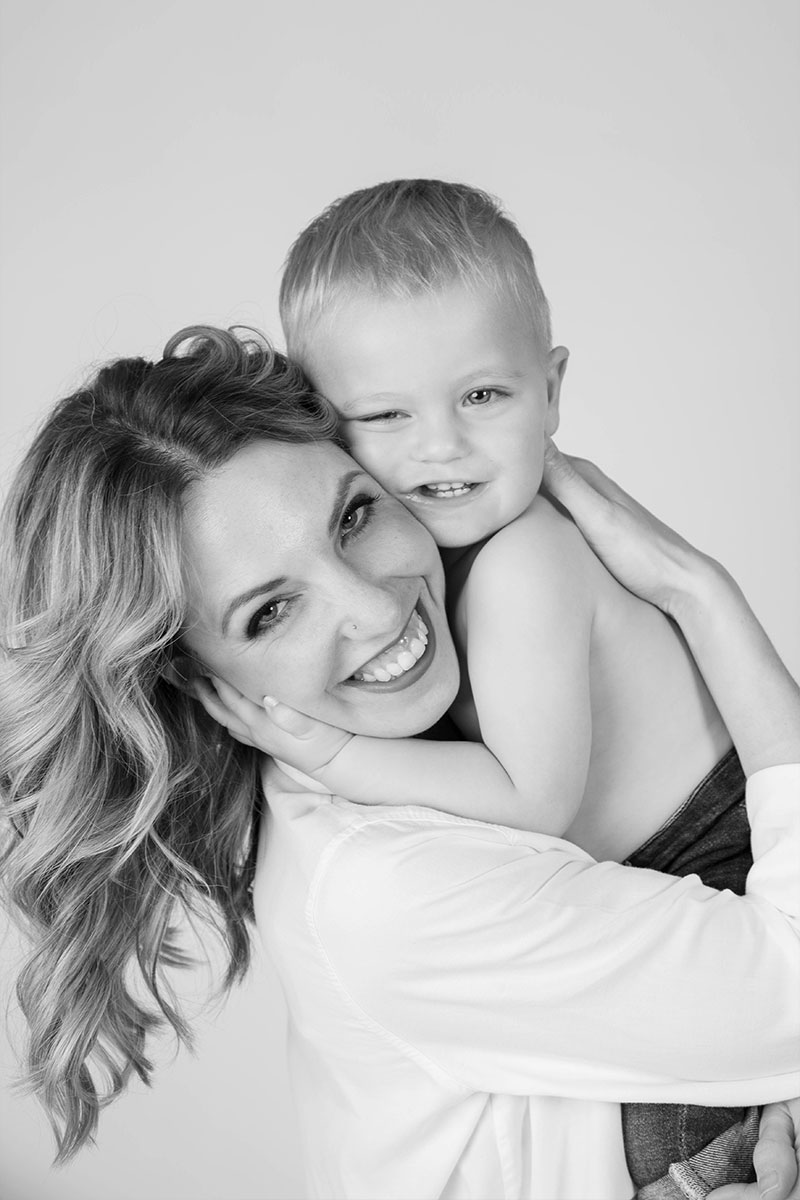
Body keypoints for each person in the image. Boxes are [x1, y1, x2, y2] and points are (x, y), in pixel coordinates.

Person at [0, 327, 798, 1200]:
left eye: (353, 517)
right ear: (197, 679)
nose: (377, 611)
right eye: (271, 613)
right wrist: (701, 595)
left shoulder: (419, 733)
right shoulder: (388, 889)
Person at [205, 178, 766, 1195]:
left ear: (550, 389)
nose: (440, 447)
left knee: (685, 1155)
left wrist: (338, 753)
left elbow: (530, 798)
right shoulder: (441, 569)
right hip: (661, 873)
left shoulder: (520, 564)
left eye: (482, 397)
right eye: (385, 414)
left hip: (714, 855)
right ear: (323, 426)